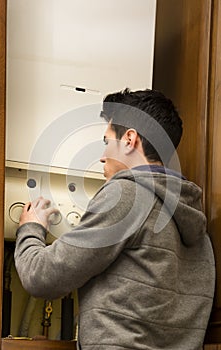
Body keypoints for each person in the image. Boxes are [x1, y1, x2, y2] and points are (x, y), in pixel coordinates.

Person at [14, 88, 215, 350]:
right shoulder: (195, 219)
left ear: (130, 139)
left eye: (107, 141)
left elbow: (41, 277)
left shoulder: (127, 196)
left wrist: (31, 227)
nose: (101, 155)